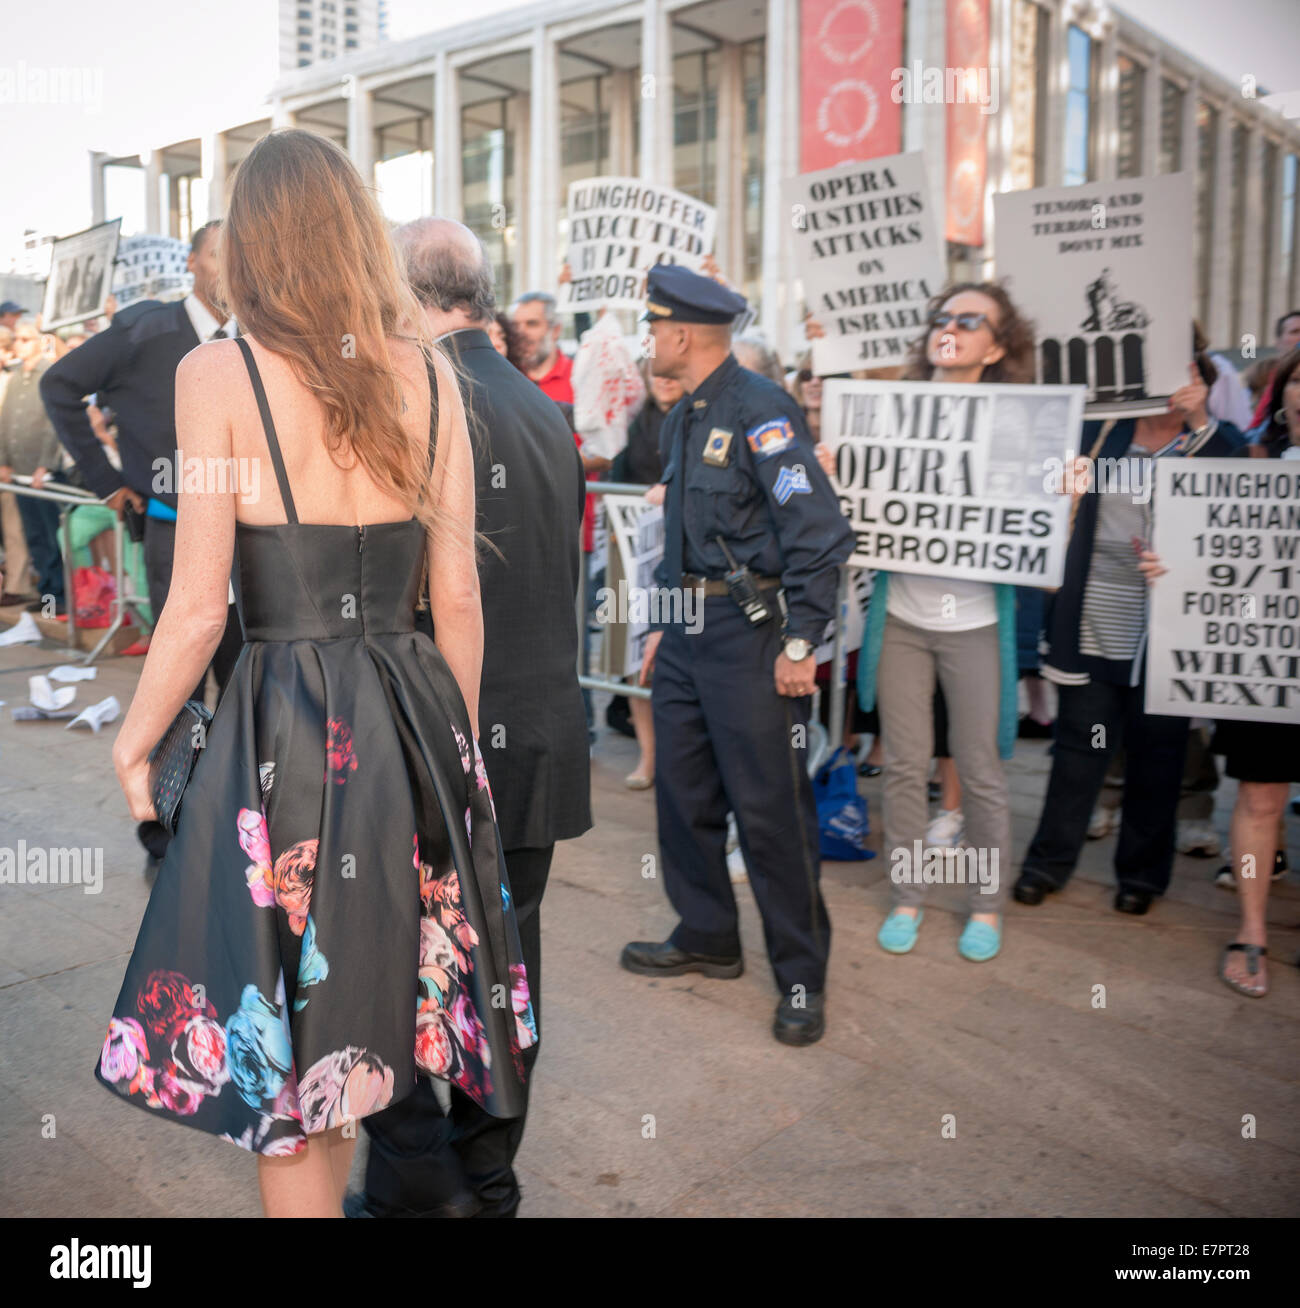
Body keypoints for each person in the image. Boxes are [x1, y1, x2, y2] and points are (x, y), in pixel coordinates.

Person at [94, 128, 536, 1219]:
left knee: (290, 1051)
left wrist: (133, 736)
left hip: (287, 732)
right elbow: (459, 600)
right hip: (413, 717)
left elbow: (197, 607)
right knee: (355, 1033)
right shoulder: (430, 374)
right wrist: (458, 756)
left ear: (253, 242)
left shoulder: (218, 374)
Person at [346, 216, 590, 1219]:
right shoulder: (539, 409)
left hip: (437, 733)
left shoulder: (421, 401)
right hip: (534, 736)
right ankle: (487, 1179)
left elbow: (414, 592)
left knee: (388, 964)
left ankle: (418, 1178)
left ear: (403, 295)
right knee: (504, 964)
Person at [621, 264, 855, 1047]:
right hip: (688, 631)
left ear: (683, 334)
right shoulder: (687, 414)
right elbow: (682, 542)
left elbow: (819, 536)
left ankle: (800, 976)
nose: (651, 340)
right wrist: (661, 623)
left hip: (753, 638)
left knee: (769, 813)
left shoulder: (763, 412)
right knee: (684, 798)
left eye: (656, 328)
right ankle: (708, 935)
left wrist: (801, 642)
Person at [41, 221, 244, 875]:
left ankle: (243, 820)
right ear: (192, 263)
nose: (232, 269)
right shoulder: (144, 330)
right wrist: (107, 484)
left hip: (253, 540)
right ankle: (166, 827)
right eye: (220, 255)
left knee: (246, 682)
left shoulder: (261, 336)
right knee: (180, 680)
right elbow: (58, 387)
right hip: (174, 532)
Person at [1014, 351, 1241, 915]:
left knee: (1158, 754)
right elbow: (1044, 494)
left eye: (1188, 370)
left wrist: (1198, 425)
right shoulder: (1100, 430)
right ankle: (1047, 863)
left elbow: (1236, 500)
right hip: (1092, 614)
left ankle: (1141, 875)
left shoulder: (1216, 438)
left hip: (1165, 627)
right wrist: (1059, 487)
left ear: (1204, 379)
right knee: (1078, 748)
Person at [855, 283, 1036, 963]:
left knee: (981, 768)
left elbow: (1037, 541)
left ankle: (985, 906)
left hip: (977, 623)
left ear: (996, 346)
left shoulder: (1018, 424)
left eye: (970, 320)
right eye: (942, 317)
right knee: (904, 765)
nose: (950, 328)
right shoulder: (892, 411)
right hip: (901, 618)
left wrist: (1067, 496)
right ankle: (908, 893)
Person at [1139, 355, 1300, 995]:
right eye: (1297, 379)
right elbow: (1206, 545)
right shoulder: (1252, 460)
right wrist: (1170, 570)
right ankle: (1253, 930)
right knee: (1261, 797)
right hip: (1266, 660)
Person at [608, 365, 684, 787]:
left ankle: (677, 760)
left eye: (671, 374)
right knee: (632, 661)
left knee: (672, 658)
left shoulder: (694, 417)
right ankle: (649, 758)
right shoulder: (638, 422)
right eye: (657, 374)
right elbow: (616, 476)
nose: (664, 379)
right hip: (631, 559)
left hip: (680, 561)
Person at [0, 316, 67, 615]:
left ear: (39, 342)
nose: (19, 344)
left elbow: (55, 425)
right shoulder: (15, 378)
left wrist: (44, 465)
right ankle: (47, 597)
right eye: (17, 339)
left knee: (52, 541)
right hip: (19, 473)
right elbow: (5, 424)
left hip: (43, 475)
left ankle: (57, 601)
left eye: (25, 339)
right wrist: (3, 462)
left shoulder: (49, 374)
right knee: (36, 538)